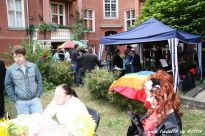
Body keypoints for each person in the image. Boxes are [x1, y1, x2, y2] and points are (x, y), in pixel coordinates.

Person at [127, 70, 182, 136]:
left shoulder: (172, 126)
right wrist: (137, 126)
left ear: (163, 95)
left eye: (150, 96)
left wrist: (142, 133)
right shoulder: (155, 110)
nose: (147, 99)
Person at [5, 45, 43, 115]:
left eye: (19, 56)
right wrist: (15, 99)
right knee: (25, 123)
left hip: (35, 100)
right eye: (15, 57)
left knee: (39, 121)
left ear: (24, 55)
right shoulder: (10, 70)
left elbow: (39, 80)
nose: (17, 59)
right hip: (21, 103)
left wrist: (38, 94)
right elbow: (8, 85)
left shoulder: (33, 66)